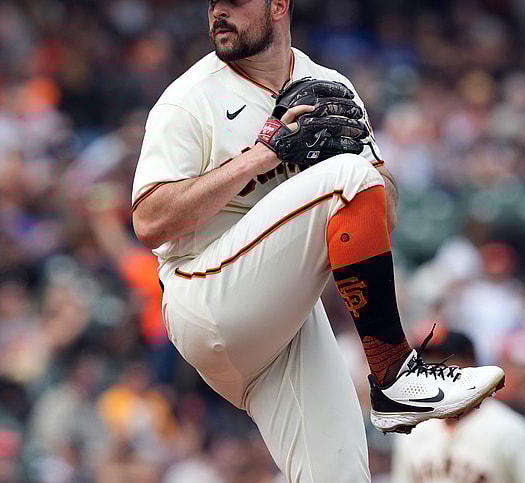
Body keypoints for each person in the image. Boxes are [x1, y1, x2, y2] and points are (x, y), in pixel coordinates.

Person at [131, 1, 504, 480]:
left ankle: (394, 384)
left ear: (278, 5)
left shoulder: (329, 86)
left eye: (235, 1)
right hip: (205, 293)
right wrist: (257, 159)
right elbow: (149, 221)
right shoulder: (189, 98)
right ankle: (393, 374)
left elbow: (380, 205)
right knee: (345, 176)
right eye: (213, 3)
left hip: (282, 320)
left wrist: (355, 160)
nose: (219, 12)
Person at [390, 327, 525, 483]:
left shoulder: (509, 429)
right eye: (427, 364)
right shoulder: (412, 431)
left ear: (471, 366)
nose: (434, 372)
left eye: (444, 362)